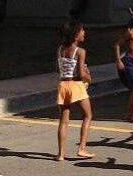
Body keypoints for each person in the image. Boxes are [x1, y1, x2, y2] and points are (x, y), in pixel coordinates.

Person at [56, 21, 95, 161]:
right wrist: (88, 77)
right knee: (88, 115)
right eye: (82, 31)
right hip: (76, 85)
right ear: (75, 35)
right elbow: (81, 74)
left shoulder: (60, 49)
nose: (84, 32)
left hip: (63, 85)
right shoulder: (80, 51)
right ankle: (82, 148)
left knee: (64, 120)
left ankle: (61, 154)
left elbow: (60, 68)